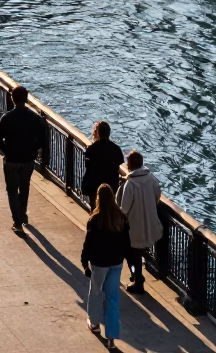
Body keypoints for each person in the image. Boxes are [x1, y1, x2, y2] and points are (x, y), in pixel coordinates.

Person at [0, 85, 49, 234]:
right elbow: (43, 140)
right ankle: (22, 215)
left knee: (11, 189)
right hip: (28, 159)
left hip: (11, 160)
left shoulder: (7, 118)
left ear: (12, 98)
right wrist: (34, 150)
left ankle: (17, 221)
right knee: (24, 188)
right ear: (27, 98)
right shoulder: (35, 118)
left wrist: (7, 151)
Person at [81, 182, 132, 350]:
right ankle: (111, 337)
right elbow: (127, 243)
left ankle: (94, 323)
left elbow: (88, 243)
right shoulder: (121, 218)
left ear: (98, 199)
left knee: (95, 292)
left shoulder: (95, 219)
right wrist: (125, 259)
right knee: (112, 298)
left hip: (99, 263)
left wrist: (84, 261)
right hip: (116, 262)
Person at [116, 150, 162, 294]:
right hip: (149, 223)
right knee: (139, 252)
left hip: (133, 228)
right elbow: (157, 195)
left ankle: (137, 278)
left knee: (131, 254)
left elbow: (124, 209)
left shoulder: (130, 184)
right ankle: (137, 276)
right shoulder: (151, 179)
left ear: (130, 165)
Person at [81, 121, 125, 208]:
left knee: (95, 208)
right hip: (111, 185)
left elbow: (88, 166)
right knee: (109, 208)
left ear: (98, 133)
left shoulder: (92, 149)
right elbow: (119, 165)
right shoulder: (116, 149)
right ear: (109, 133)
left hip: (94, 185)